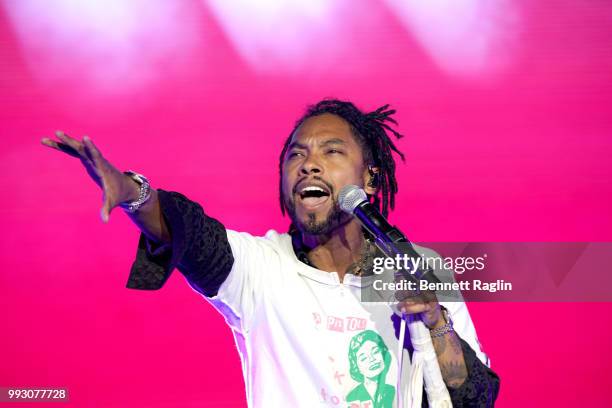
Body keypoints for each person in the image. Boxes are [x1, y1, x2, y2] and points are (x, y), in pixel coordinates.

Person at [42, 99, 500, 407]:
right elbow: (189, 230)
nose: (310, 164)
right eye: (296, 156)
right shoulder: (261, 269)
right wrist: (133, 193)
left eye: (332, 151)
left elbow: (475, 398)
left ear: (372, 179)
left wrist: (437, 324)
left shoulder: (412, 267)